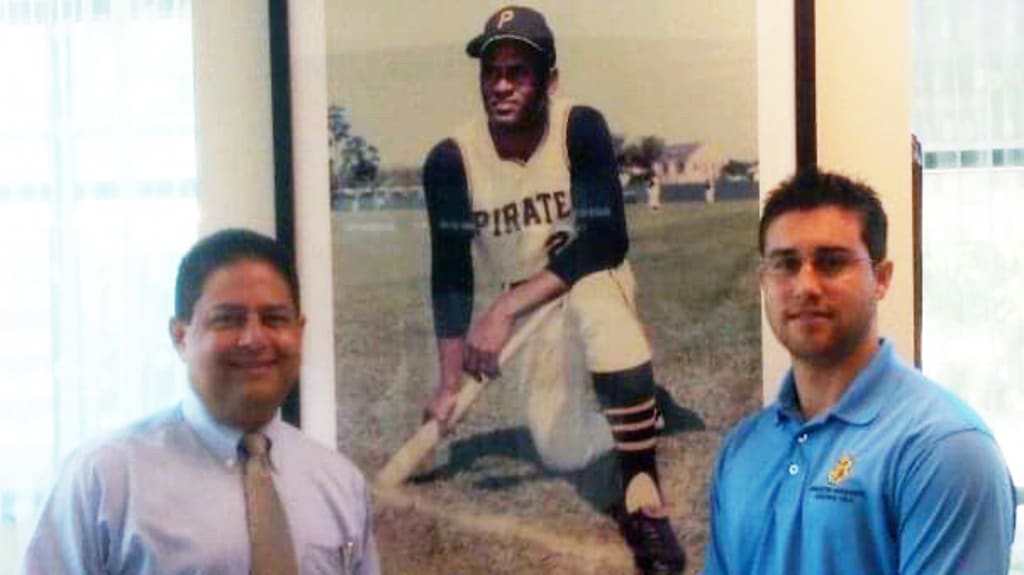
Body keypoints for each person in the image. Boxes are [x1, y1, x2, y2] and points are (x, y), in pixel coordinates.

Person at [421, 6, 685, 574]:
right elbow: (450, 273)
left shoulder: (578, 126)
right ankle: (641, 403)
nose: (501, 85)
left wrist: (504, 307)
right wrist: (447, 384)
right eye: (492, 72)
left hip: (590, 275)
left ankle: (643, 493)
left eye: (519, 72)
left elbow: (606, 238)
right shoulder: (451, 160)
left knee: (598, 312)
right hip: (529, 312)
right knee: (563, 449)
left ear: (550, 80)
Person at [704, 168, 1016, 574]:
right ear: (764, 280)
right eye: (786, 264)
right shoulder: (743, 449)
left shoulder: (946, 449)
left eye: (832, 262)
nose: (806, 286)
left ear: (881, 279)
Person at [18, 229, 380, 575]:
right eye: (228, 320)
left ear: (298, 332)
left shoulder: (340, 484)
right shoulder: (103, 480)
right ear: (180, 336)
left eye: (274, 319)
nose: (254, 338)